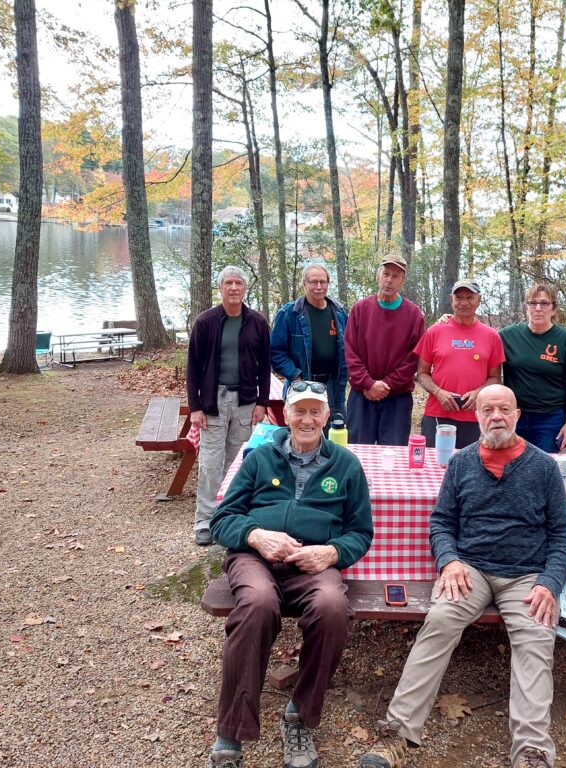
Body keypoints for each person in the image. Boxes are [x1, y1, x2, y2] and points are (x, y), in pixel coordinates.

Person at [359, 385, 566, 768]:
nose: (496, 416)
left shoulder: (543, 466)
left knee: (537, 638)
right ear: (476, 416)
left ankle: (532, 750)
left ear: (517, 415)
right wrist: (449, 561)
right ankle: (397, 733)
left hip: (526, 575)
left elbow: (561, 536)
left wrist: (550, 583)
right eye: (488, 409)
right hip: (469, 569)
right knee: (439, 621)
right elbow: (442, 522)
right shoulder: (461, 463)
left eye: (504, 409)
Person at [207, 381, 373, 768]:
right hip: (255, 558)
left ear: (326, 417)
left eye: (316, 411)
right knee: (258, 603)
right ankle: (230, 730)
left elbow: (360, 532)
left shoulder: (346, 465)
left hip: (312, 564)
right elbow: (222, 519)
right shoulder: (259, 458)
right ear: (286, 415)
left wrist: (332, 551)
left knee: (332, 607)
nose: (307, 419)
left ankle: (299, 715)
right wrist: (255, 535)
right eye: (300, 410)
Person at [186, 266, 271, 546]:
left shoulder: (257, 322)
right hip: (213, 400)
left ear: (244, 288)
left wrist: (262, 402)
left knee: (238, 463)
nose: (234, 288)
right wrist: (195, 407)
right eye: (228, 283)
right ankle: (205, 520)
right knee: (211, 463)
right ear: (220, 287)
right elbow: (193, 368)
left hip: (246, 401)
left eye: (238, 283)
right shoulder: (206, 322)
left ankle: (232, 516)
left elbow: (265, 366)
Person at [344, 254, 425, 445]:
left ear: (402, 281)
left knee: (394, 454)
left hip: (397, 398)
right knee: (358, 452)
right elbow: (350, 351)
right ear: (378, 276)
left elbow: (413, 358)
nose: (389, 280)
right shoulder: (360, 309)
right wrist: (368, 383)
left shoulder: (413, 315)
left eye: (395, 276)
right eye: (386, 274)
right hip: (362, 394)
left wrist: (386, 385)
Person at [414, 279, 504, 448]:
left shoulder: (491, 336)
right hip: (437, 413)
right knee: (433, 466)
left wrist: (479, 393)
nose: (464, 303)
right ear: (451, 300)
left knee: (465, 469)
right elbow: (422, 373)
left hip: (472, 415)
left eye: (470, 297)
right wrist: (438, 392)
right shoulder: (434, 331)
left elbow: (494, 377)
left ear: (479, 300)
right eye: (459, 297)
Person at [499, 282, 566, 453]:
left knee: (545, 468)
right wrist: (451, 321)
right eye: (533, 303)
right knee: (511, 467)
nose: (538, 308)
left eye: (544, 303)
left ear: (553, 309)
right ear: (527, 307)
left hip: (550, 420)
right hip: (514, 417)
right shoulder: (507, 336)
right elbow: (479, 341)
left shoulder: (565, 339)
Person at [270, 263, 348, 428]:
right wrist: (297, 376)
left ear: (328, 283)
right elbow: (275, 352)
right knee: (302, 433)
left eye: (322, 282)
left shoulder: (339, 313)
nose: (318, 286)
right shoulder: (289, 314)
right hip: (302, 385)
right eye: (313, 282)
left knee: (333, 436)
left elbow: (349, 349)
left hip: (333, 387)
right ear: (304, 284)